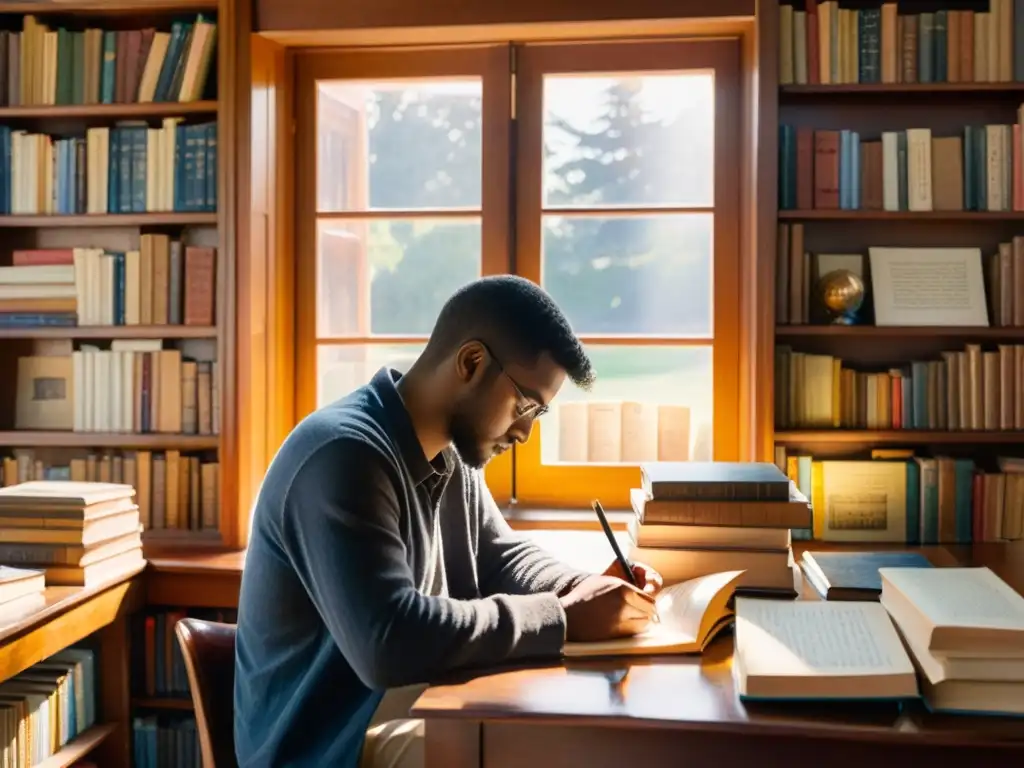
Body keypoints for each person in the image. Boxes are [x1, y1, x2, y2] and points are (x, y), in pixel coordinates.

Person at [234, 275, 662, 768]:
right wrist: (563, 616)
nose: (524, 432)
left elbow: (502, 557)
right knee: (545, 750)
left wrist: (585, 586)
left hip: (400, 707)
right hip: (328, 746)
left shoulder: (448, 455)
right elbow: (388, 641)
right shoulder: (344, 457)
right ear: (471, 363)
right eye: (525, 406)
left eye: (538, 415)